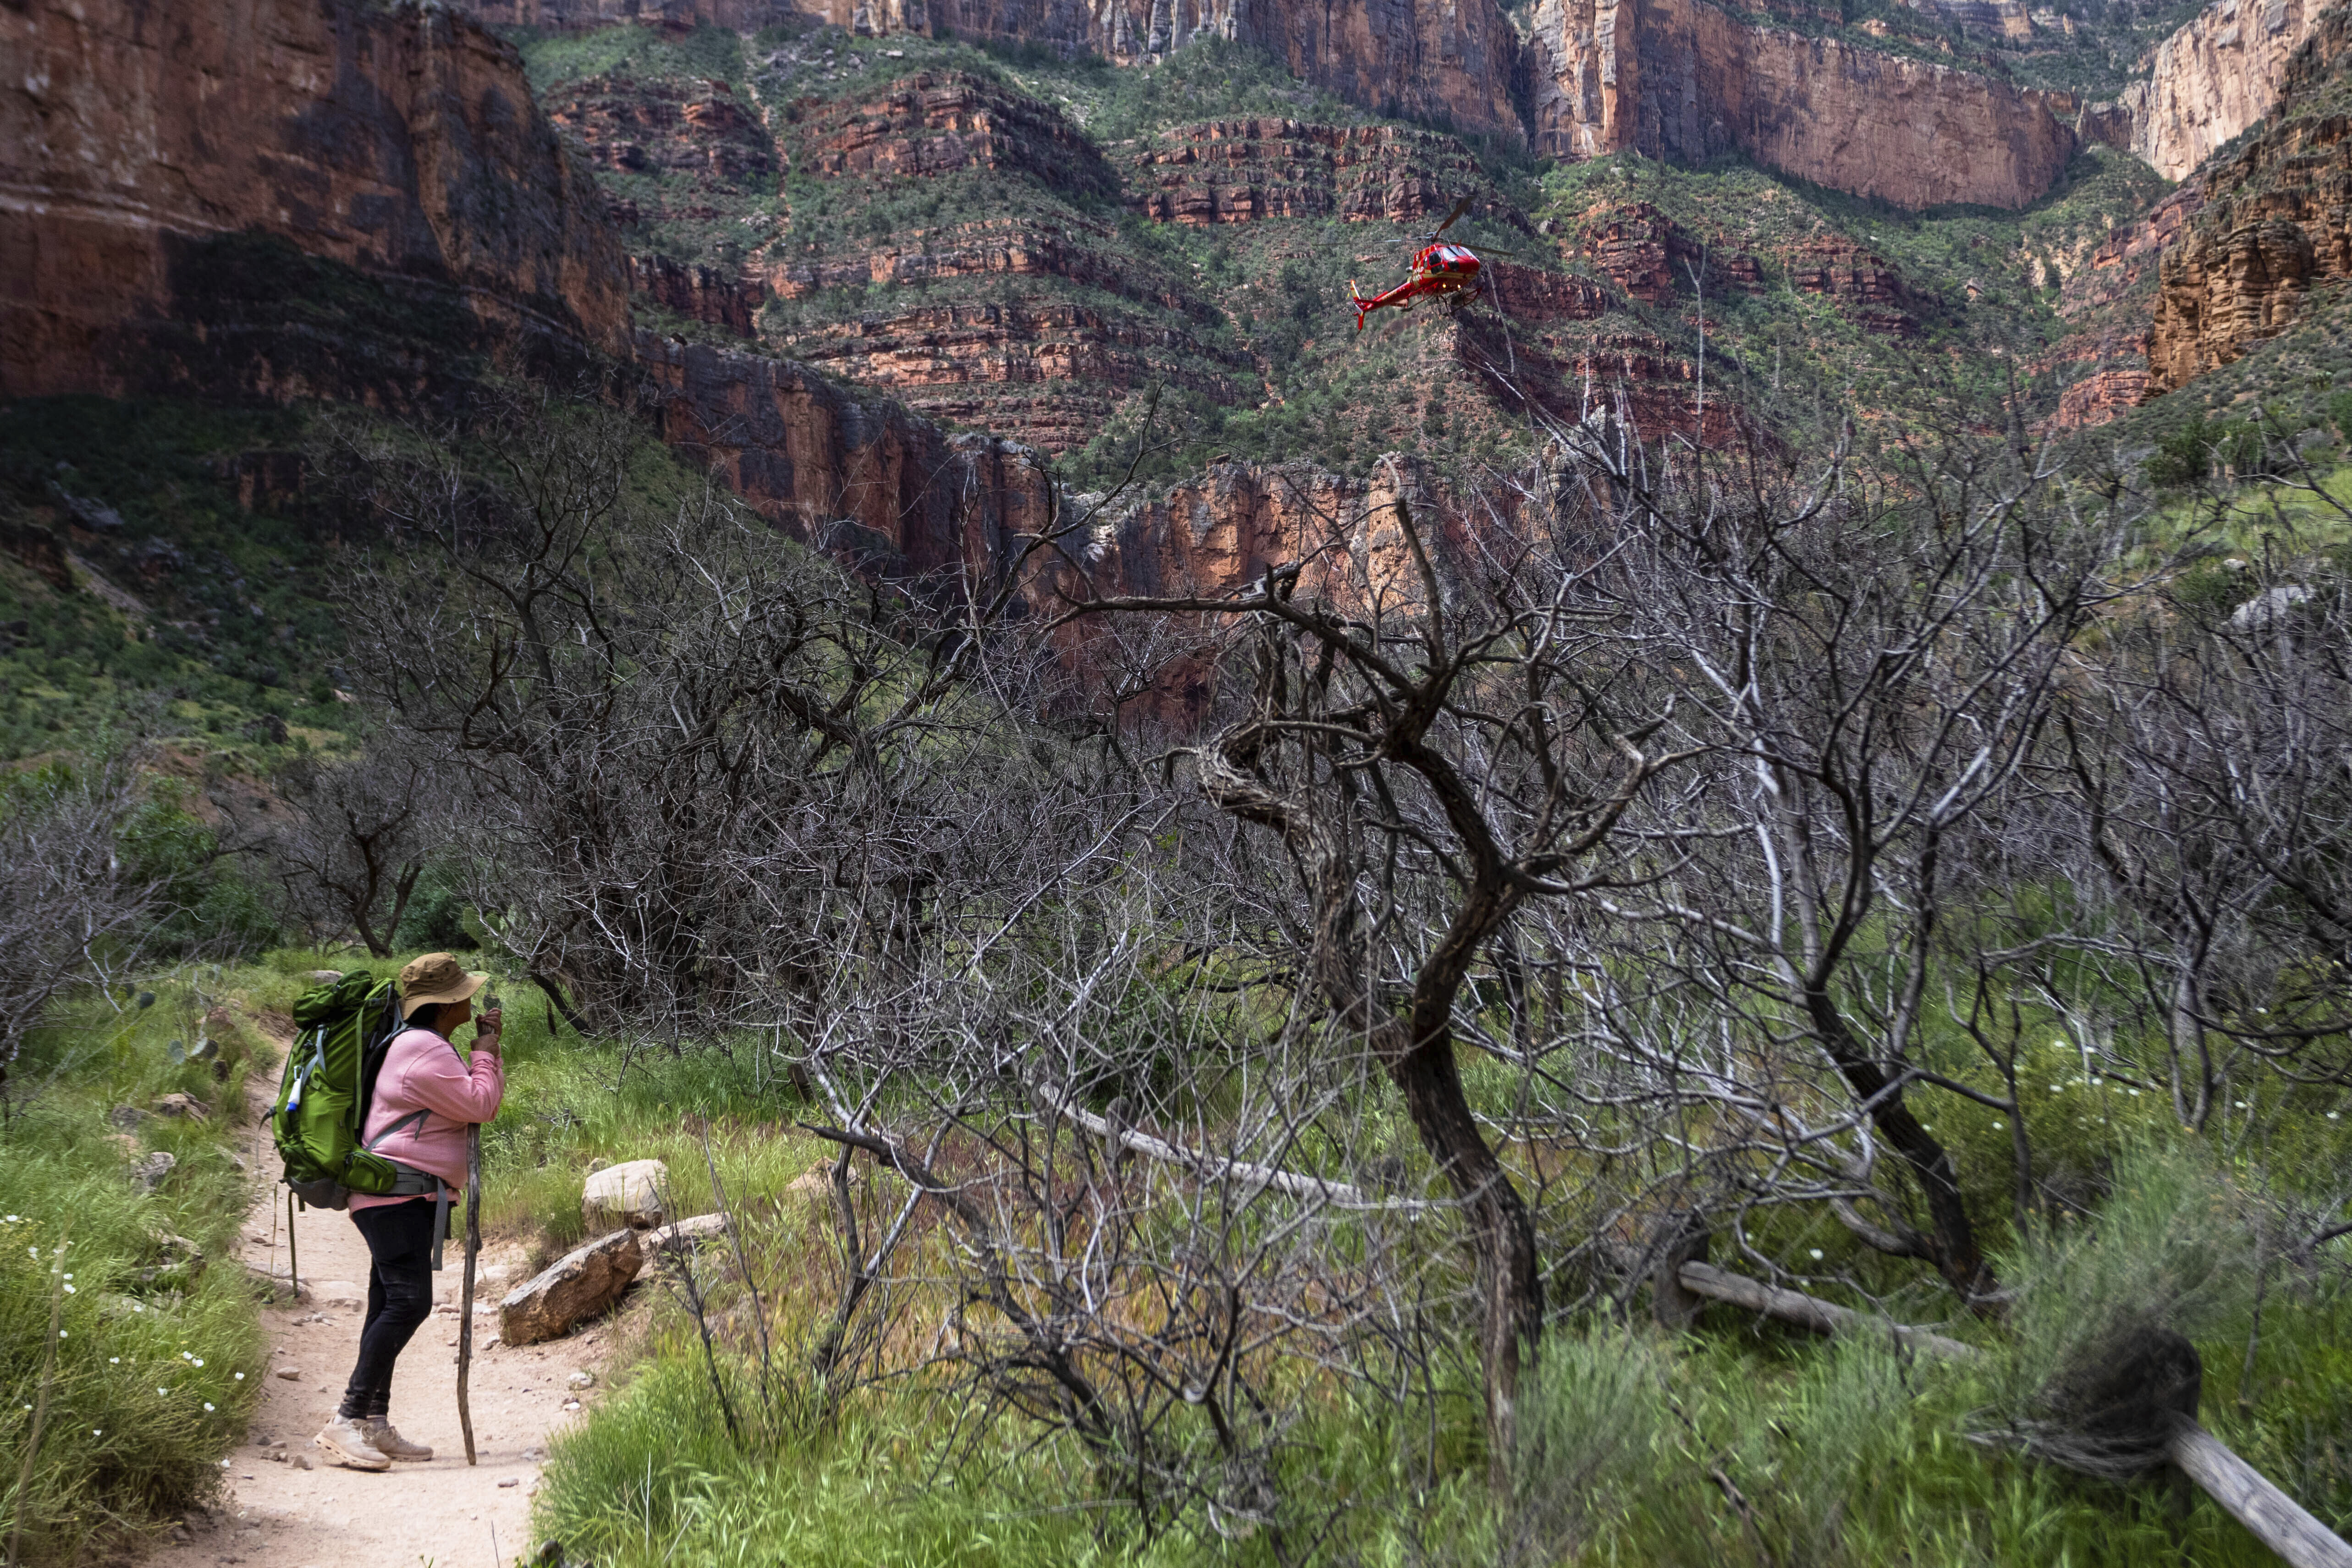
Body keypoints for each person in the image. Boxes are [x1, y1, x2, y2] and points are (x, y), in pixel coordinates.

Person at [314, 952, 504, 1471]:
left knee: (387, 1302)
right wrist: (486, 1051)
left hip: (402, 1194)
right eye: (463, 993)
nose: (470, 998)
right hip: (395, 1195)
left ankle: (373, 1421)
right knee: (409, 1301)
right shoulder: (423, 1049)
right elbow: (481, 1102)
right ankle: (347, 1419)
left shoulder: (418, 1042)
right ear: (448, 1004)